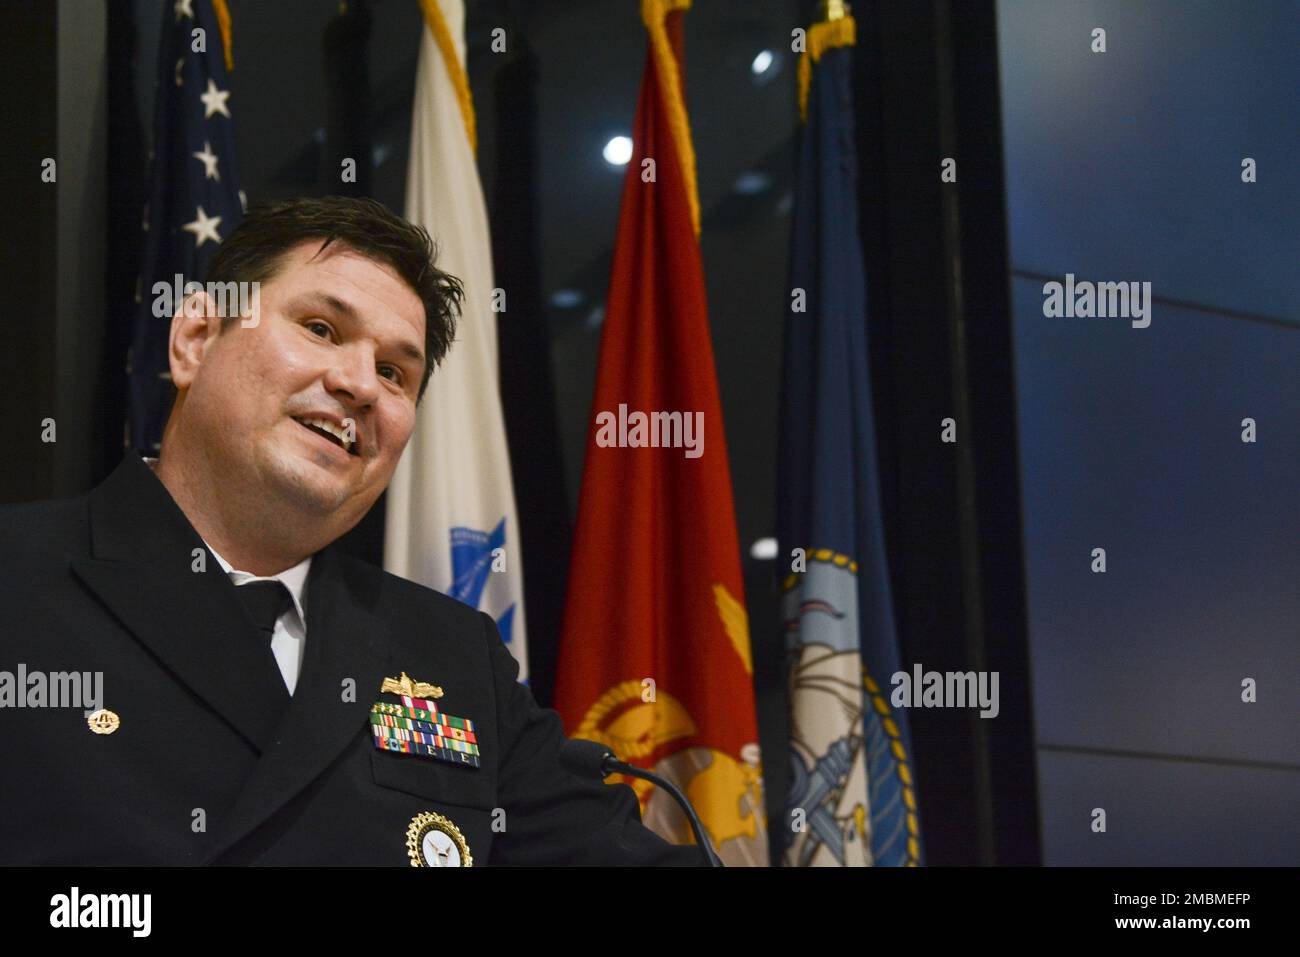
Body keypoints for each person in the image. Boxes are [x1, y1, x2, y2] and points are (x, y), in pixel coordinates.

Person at [0, 196, 700, 866]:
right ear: (194, 339)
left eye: (396, 372)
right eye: (321, 328)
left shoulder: (454, 658)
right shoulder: (18, 580)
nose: (361, 384)